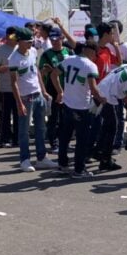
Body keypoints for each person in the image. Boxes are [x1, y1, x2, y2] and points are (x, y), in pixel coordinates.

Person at [54, 42, 102, 178]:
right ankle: (79, 169)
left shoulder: (68, 59)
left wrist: (60, 91)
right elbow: (93, 88)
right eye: (95, 54)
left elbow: (54, 74)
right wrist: (102, 99)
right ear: (91, 52)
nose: (95, 57)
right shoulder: (90, 66)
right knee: (82, 139)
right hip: (82, 107)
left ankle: (62, 164)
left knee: (65, 137)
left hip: (68, 104)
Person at [9, 27, 55, 172]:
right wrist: (19, 102)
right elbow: (13, 82)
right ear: (20, 42)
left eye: (31, 41)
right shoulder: (13, 59)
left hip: (38, 95)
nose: (30, 44)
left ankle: (42, 158)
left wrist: (44, 90)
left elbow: (36, 74)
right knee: (24, 130)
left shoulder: (33, 52)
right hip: (25, 97)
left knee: (41, 128)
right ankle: (25, 159)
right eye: (28, 42)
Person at [39, 19, 77, 154]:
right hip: (53, 89)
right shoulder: (46, 54)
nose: (55, 42)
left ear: (61, 38)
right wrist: (44, 90)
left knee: (66, 118)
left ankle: (63, 142)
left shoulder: (69, 52)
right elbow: (40, 73)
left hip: (69, 89)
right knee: (54, 117)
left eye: (57, 39)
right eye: (52, 39)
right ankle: (53, 143)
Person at [95, 64, 127, 171]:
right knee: (113, 128)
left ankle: (98, 151)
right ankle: (105, 161)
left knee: (106, 126)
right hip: (108, 96)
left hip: (101, 88)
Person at [0, 29, 17, 148]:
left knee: (18, 115)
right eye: (12, 35)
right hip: (6, 88)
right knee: (5, 115)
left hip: (21, 88)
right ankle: (5, 138)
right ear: (7, 36)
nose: (14, 38)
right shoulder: (0, 51)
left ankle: (17, 138)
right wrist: (5, 68)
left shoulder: (20, 49)